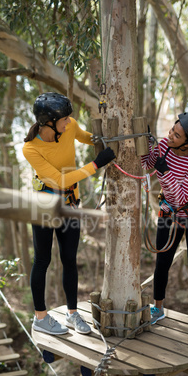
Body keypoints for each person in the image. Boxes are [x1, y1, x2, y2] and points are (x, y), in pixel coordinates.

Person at [23, 92, 115, 336]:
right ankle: (40, 318)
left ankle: (72, 314)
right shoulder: (30, 149)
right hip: (44, 203)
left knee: (70, 259)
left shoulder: (69, 126)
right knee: (42, 260)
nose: (69, 122)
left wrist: (105, 136)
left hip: (70, 203)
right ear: (49, 122)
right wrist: (96, 164)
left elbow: (86, 137)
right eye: (64, 120)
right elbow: (60, 180)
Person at [141, 112, 188, 344]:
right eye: (172, 130)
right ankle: (158, 308)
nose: (170, 135)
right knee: (162, 260)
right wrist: (147, 146)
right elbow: (146, 164)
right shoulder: (164, 145)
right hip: (168, 209)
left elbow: (183, 198)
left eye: (176, 135)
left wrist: (166, 171)